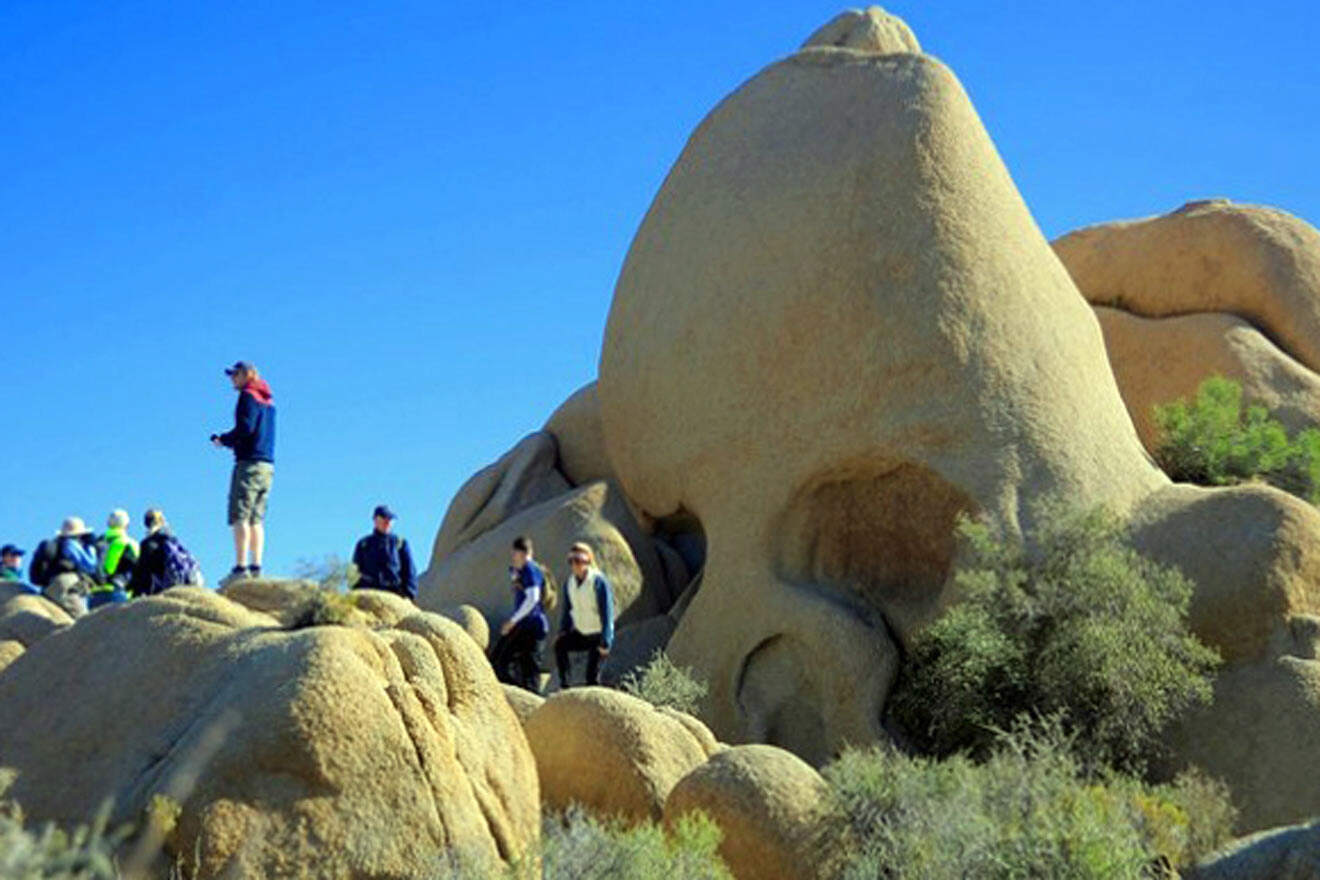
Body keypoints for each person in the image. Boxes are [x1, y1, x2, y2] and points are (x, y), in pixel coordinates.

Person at [211, 361, 276, 584]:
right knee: (257, 518)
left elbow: (246, 428)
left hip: (248, 463)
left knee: (240, 515)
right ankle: (256, 566)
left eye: (235, 375)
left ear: (246, 375)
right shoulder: (267, 399)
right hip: (267, 465)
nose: (232, 379)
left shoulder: (248, 396)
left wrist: (225, 440)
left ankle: (240, 568)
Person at [489, 536, 550, 693]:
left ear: (523, 553)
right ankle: (515, 695)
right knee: (503, 662)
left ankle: (523, 701)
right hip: (524, 625)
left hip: (532, 626)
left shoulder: (530, 569)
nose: (513, 557)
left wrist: (512, 621)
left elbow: (533, 598)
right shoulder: (520, 571)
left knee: (528, 672)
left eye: (515, 554)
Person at [554, 542, 616, 688]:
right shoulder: (569, 583)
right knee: (560, 646)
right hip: (581, 633)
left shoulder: (598, 582)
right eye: (572, 561)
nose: (575, 565)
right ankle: (565, 686)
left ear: (587, 561)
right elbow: (567, 610)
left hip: (597, 636)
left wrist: (606, 640)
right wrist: (563, 631)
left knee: (592, 678)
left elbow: (607, 613)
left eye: (579, 560)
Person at [29, 517, 100, 617]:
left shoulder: (57, 544)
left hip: (49, 586)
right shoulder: (71, 545)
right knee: (81, 620)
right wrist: (91, 546)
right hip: (66, 584)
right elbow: (90, 565)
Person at [129, 509, 205, 597]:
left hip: (160, 588)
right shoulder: (172, 540)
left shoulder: (148, 544)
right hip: (179, 583)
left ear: (146, 524)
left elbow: (143, 573)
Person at [350, 505, 417, 600]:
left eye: (390, 519)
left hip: (394, 593)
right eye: (384, 518)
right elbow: (354, 571)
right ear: (375, 520)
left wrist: (409, 594)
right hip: (368, 593)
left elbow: (410, 570)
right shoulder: (364, 544)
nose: (388, 522)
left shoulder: (400, 543)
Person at [90, 509, 138, 609]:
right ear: (126, 525)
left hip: (94, 594)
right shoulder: (130, 543)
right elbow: (138, 569)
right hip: (117, 592)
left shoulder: (98, 542)